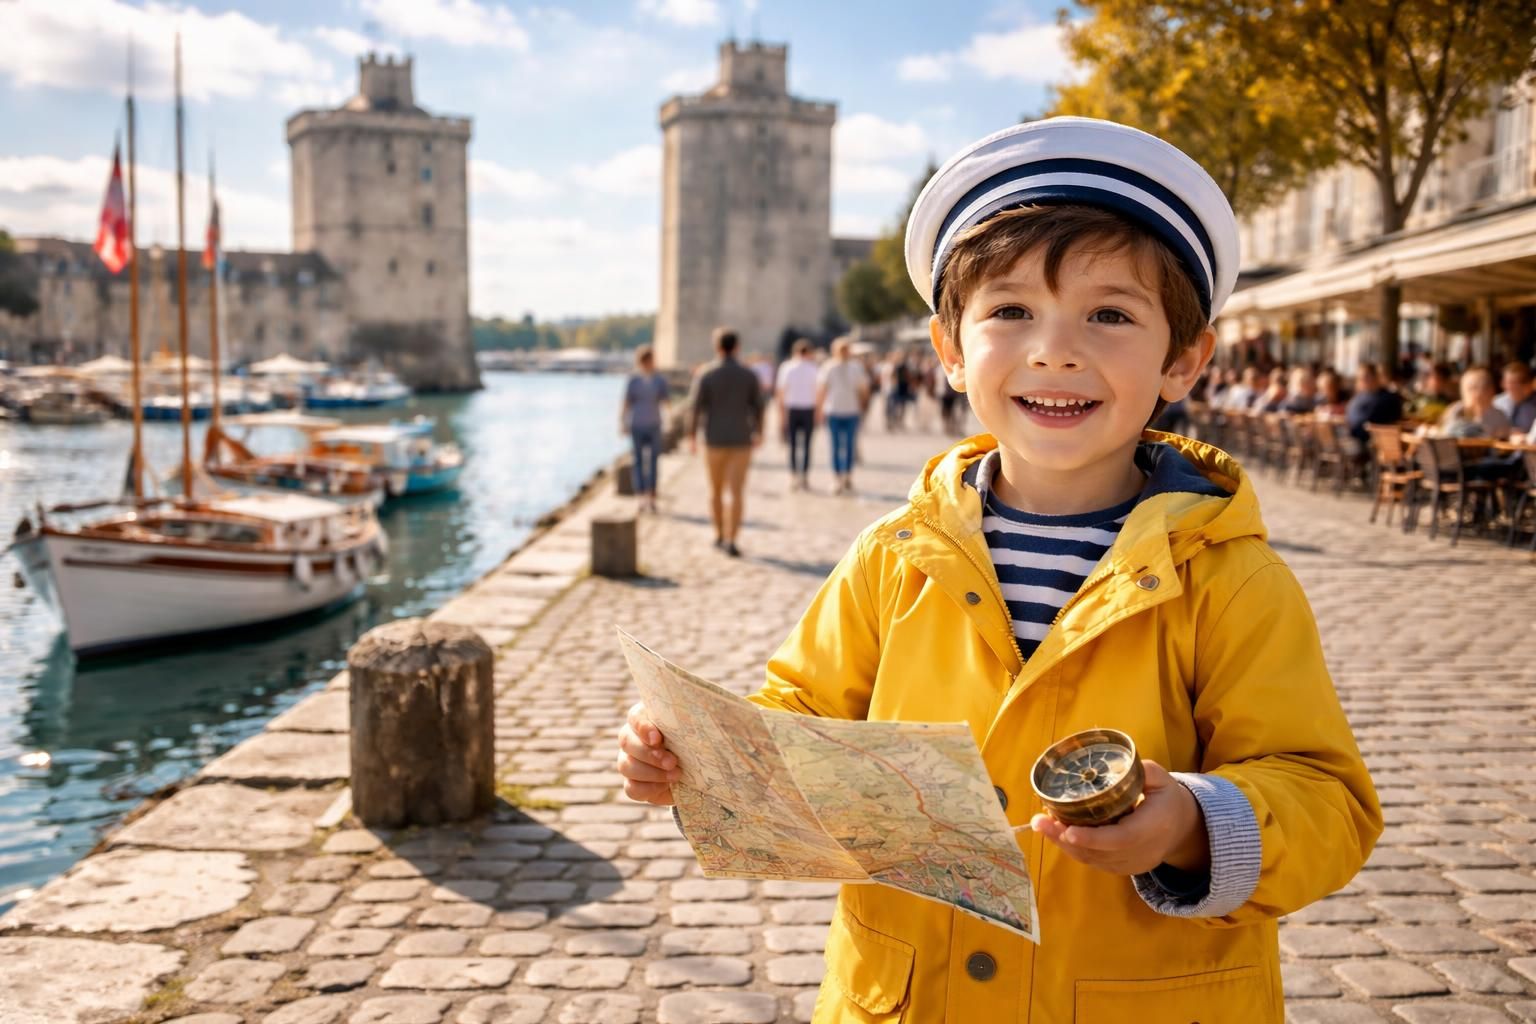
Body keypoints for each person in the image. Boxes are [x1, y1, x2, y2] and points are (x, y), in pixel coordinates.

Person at [619, 117, 1379, 1022]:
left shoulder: (1229, 579)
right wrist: (699, 756)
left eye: (1109, 315)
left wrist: (1190, 821)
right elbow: (800, 713)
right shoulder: (891, 557)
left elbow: (1324, 798)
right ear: (950, 350)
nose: (1055, 349)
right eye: (1011, 311)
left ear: (1183, 360)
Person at [686, 327, 763, 557]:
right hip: (741, 440)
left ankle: (719, 534)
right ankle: (732, 538)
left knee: (715, 490)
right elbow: (759, 406)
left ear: (717, 347)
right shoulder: (748, 375)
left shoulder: (706, 374)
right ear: (737, 347)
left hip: (714, 440)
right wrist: (759, 432)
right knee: (736, 492)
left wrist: (691, 436)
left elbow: (695, 408)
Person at [816, 336, 870, 494]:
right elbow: (822, 389)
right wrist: (819, 410)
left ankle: (847, 475)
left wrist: (863, 404)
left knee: (849, 446)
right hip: (833, 411)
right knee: (835, 446)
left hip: (851, 411)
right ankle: (837, 477)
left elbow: (863, 388)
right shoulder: (828, 367)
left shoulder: (856, 367)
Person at [620, 345, 668, 512]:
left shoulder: (659, 380)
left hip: (654, 424)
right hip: (637, 424)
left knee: (653, 461)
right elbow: (626, 403)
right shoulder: (633, 380)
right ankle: (641, 496)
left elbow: (665, 401)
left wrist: (668, 420)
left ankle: (652, 496)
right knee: (638, 461)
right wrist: (622, 422)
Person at [777, 338, 820, 490]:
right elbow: (818, 392)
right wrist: (818, 413)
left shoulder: (787, 367)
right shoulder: (813, 368)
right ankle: (805, 476)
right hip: (808, 409)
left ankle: (794, 476)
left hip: (792, 409)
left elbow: (781, 392)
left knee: (793, 445)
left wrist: (781, 414)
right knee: (807, 445)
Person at [1439, 366, 1513, 439]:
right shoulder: (1456, 410)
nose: (1474, 393)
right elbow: (1445, 433)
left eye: (1473, 388)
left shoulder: (1498, 416)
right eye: (1469, 388)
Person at [1345, 363, 1405, 443]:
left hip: (1376, 443)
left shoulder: (1388, 399)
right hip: (1357, 440)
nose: (1361, 381)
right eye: (1359, 378)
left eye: (1365, 378)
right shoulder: (1358, 398)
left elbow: (1369, 422)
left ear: (1376, 377)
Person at [1493, 360, 1536, 434]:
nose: (1504, 385)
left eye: (1511, 383)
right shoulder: (1497, 402)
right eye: (1505, 382)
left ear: (1527, 385)